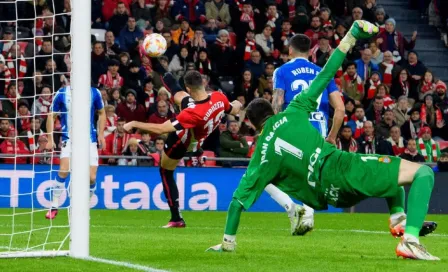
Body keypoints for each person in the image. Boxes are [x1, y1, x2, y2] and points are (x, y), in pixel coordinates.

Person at [207, 21, 439, 261]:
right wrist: (351, 36)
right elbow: (328, 72)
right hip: (340, 167)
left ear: (253, 125)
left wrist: (227, 243)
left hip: (330, 194)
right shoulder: (295, 109)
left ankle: (399, 221)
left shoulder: (261, 156)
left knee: (392, 176)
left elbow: (236, 203)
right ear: (271, 111)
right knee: (423, 173)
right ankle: (410, 241)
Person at [124, 71, 241, 228]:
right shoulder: (218, 97)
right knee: (178, 94)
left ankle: (176, 218)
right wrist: (238, 104)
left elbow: (161, 129)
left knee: (165, 171)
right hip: (202, 123)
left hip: (183, 140)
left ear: (189, 87)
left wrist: (134, 124)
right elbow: (234, 109)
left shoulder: (192, 113)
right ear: (204, 83)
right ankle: (160, 70)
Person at [269, 30, 345, 236]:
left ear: (290, 50)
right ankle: (308, 214)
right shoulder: (323, 73)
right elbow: (340, 110)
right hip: (318, 131)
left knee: (263, 171)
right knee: (308, 173)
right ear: (310, 52)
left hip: (292, 130)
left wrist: (270, 131)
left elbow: (276, 105)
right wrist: (332, 136)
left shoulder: (281, 71)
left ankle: (292, 209)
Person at [45, 86, 106, 220]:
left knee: (91, 177)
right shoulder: (62, 92)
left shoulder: (94, 92)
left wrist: (101, 134)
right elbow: (51, 115)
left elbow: (102, 113)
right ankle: (54, 205)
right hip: (69, 138)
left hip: (89, 140)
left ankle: (85, 207)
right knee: (64, 170)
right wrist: (50, 138)